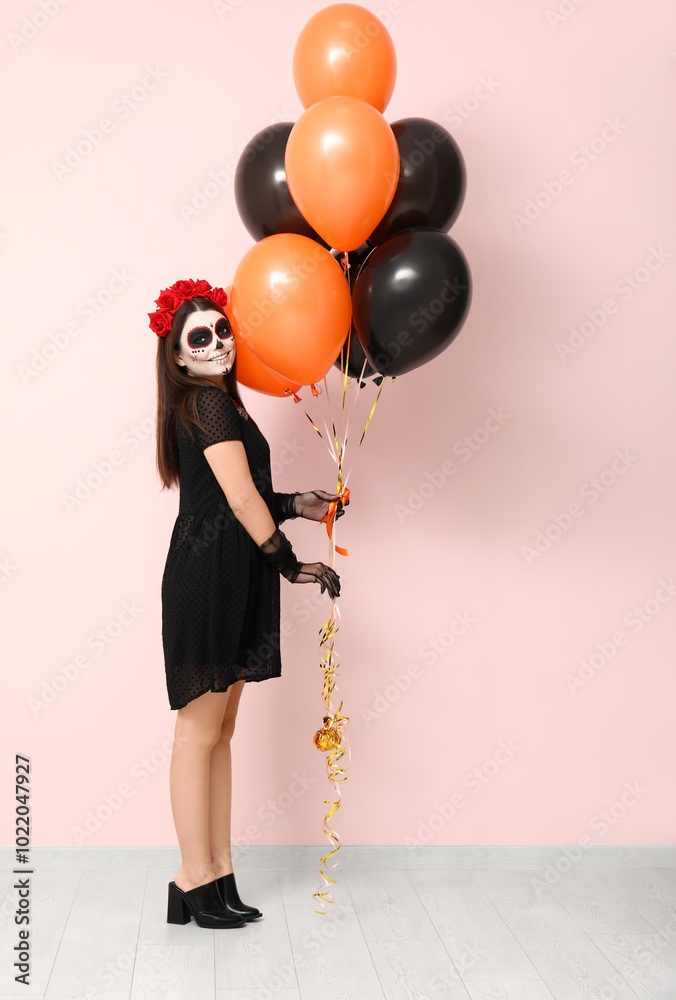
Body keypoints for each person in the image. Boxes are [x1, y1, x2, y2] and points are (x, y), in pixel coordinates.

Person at [150, 278, 346, 929]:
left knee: (219, 731)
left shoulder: (222, 404)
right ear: (178, 355)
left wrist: (298, 505)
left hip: (232, 570)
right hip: (208, 577)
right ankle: (191, 876)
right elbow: (237, 501)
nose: (217, 343)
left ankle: (218, 871)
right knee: (198, 731)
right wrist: (290, 563)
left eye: (222, 329)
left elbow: (243, 492)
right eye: (199, 336)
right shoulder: (206, 401)